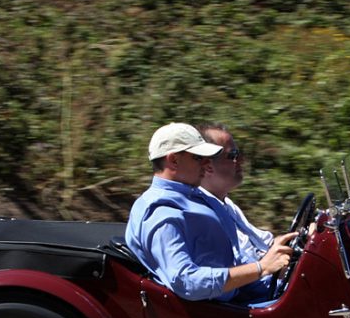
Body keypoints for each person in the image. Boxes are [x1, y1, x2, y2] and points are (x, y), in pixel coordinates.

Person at [125, 123, 293, 303]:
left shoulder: (196, 198)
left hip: (242, 297)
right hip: (218, 311)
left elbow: (235, 261)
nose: (206, 164)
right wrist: (262, 268)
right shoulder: (161, 212)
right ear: (173, 160)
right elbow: (187, 282)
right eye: (198, 157)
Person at [197, 123, 277, 264]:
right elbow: (237, 265)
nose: (241, 160)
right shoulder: (202, 213)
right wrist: (267, 265)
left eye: (239, 154)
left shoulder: (226, 203)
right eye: (233, 155)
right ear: (208, 165)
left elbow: (263, 243)